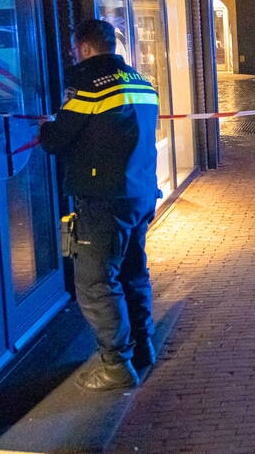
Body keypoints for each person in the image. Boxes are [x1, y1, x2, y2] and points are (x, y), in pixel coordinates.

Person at [40, 19, 160, 391]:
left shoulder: (88, 85)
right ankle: (144, 349)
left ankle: (115, 366)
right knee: (132, 273)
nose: (74, 55)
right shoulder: (142, 82)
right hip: (139, 194)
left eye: (75, 49)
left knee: (94, 283)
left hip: (103, 200)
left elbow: (57, 139)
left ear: (86, 47)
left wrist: (46, 127)